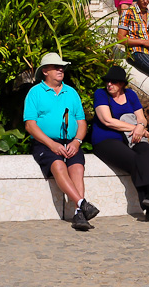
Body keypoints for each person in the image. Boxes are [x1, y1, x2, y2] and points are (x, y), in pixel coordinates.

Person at [24, 53, 100, 231]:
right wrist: (52, 144)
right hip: (45, 143)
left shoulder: (71, 92)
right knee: (58, 165)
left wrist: (77, 141)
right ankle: (82, 204)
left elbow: (81, 123)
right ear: (45, 71)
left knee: (77, 168)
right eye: (55, 67)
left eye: (62, 67)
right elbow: (30, 125)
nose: (60, 69)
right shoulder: (35, 93)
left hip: (71, 142)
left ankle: (78, 213)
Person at [92, 65, 149, 225]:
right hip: (106, 140)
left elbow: (141, 118)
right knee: (134, 159)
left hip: (131, 138)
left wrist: (141, 126)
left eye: (114, 82)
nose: (109, 84)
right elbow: (107, 121)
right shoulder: (100, 94)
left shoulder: (130, 94)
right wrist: (136, 128)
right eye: (108, 81)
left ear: (122, 83)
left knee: (148, 150)